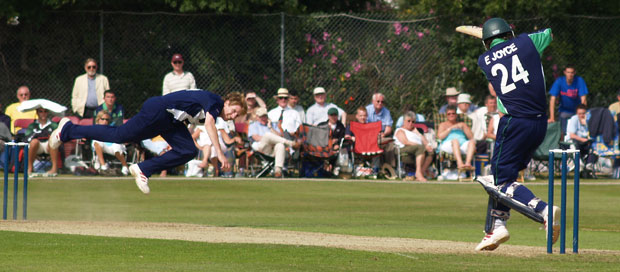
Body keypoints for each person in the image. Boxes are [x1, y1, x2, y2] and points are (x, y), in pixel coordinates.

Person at [50, 90, 246, 194]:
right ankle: (69, 129)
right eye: (234, 110)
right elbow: (210, 123)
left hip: (170, 120)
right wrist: (220, 154)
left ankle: (143, 169)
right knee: (120, 135)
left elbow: (186, 114)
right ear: (228, 101)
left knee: (187, 150)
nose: (233, 116)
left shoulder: (213, 107)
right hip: (159, 110)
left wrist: (176, 141)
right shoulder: (216, 102)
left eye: (237, 115)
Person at [474, 17, 559, 251]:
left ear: (486, 43)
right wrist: (520, 39)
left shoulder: (484, 60)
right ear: (510, 33)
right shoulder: (527, 42)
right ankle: (496, 226)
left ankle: (543, 210)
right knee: (506, 176)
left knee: (500, 180)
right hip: (539, 124)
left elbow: (502, 84)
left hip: (514, 123)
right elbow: (549, 33)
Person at [248, 107, 300, 178]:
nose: (263, 118)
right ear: (257, 117)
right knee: (267, 135)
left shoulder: (273, 125)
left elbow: (280, 137)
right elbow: (256, 137)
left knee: (280, 145)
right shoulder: (253, 125)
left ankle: (278, 171)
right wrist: (270, 139)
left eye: (264, 116)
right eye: (261, 117)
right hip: (261, 147)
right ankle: (290, 143)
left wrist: (270, 128)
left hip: (272, 149)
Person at [548, 65, 588, 135]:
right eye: (568, 72)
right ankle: (563, 145)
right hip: (564, 111)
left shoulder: (579, 81)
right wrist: (552, 117)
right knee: (563, 132)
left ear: (574, 73)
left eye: (572, 72)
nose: (570, 74)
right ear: (565, 72)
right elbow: (552, 99)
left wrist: (582, 115)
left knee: (578, 132)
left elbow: (583, 99)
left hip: (576, 112)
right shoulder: (559, 81)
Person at [393, 111, 433, 182]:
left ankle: (420, 173)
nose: (410, 123)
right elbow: (405, 142)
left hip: (417, 150)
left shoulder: (415, 131)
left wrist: (418, 133)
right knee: (421, 148)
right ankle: (418, 173)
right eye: (408, 121)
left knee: (430, 152)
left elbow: (426, 143)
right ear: (404, 121)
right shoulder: (400, 130)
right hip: (403, 149)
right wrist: (420, 146)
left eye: (413, 122)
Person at [437, 105, 475, 170]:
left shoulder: (462, 124)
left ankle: (467, 163)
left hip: (462, 145)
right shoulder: (443, 125)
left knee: (472, 142)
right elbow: (440, 137)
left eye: (453, 113)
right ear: (446, 115)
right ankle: (459, 163)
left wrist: (464, 128)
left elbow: (471, 137)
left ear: (456, 115)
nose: (451, 115)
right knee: (455, 141)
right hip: (448, 145)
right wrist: (451, 128)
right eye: (449, 114)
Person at [92, 111, 130, 175]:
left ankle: (125, 167)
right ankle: (103, 167)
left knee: (117, 145)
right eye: (102, 119)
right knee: (97, 141)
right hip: (100, 147)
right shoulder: (93, 129)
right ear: (98, 120)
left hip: (111, 146)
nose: (105, 121)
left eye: (107, 120)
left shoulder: (112, 128)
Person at [25, 108, 59, 177]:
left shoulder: (53, 125)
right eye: (41, 111)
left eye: (45, 111)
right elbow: (27, 138)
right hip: (38, 146)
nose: (43, 113)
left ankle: (54, 169)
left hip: (48, 146)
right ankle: (30, 168)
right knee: (34, 142)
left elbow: (58, 137)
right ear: (37, 113)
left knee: (53, 141)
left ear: (48, 112)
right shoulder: (32, 125)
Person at [566, 104, 597, 170]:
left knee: (596, 147)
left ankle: (589, 165)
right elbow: (572, 135)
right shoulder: (574, 119)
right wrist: (583, 140)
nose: (581, 115)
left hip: (586, 143)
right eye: (579, 114)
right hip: (575, 142)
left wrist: (586, 124)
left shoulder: (589, 119)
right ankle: (579, 165)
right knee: (574, 146)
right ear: (577, 113)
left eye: (583, 113)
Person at [317, 107, 346, 175]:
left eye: (335, 115)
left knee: (336, 151)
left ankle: (332, 169)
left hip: (335, 148)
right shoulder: (322, 125)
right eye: (331, 115)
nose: (333, 117)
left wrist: (337, 143)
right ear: (328, 116)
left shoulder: (340, 126)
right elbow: (319, 137)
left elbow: (342, 137)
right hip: (323, 147)